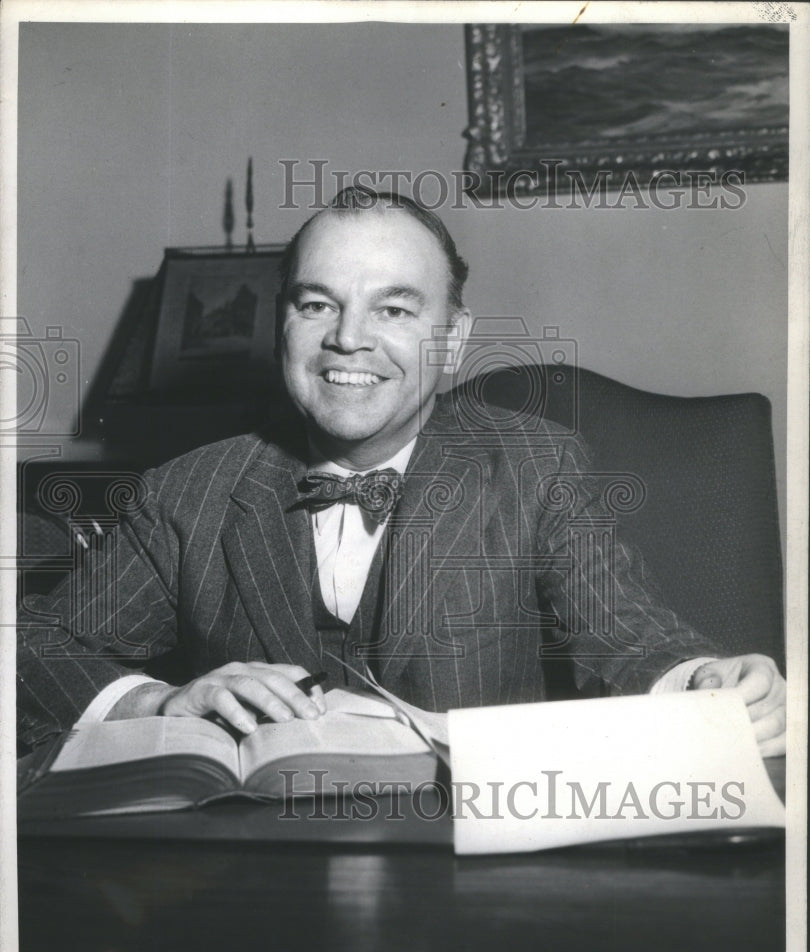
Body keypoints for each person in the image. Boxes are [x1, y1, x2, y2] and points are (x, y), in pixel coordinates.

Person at [17, 187, 786, 757]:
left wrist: (705, 684)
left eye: (394, 310)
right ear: (280, 325)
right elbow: (31, 649)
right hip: (252, 882)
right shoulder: (187, 490)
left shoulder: (537, 468)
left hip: (473, 870)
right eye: (317, 305)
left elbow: (626, 634)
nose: (348, 339)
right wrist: (163, 699)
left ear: (452, 341)